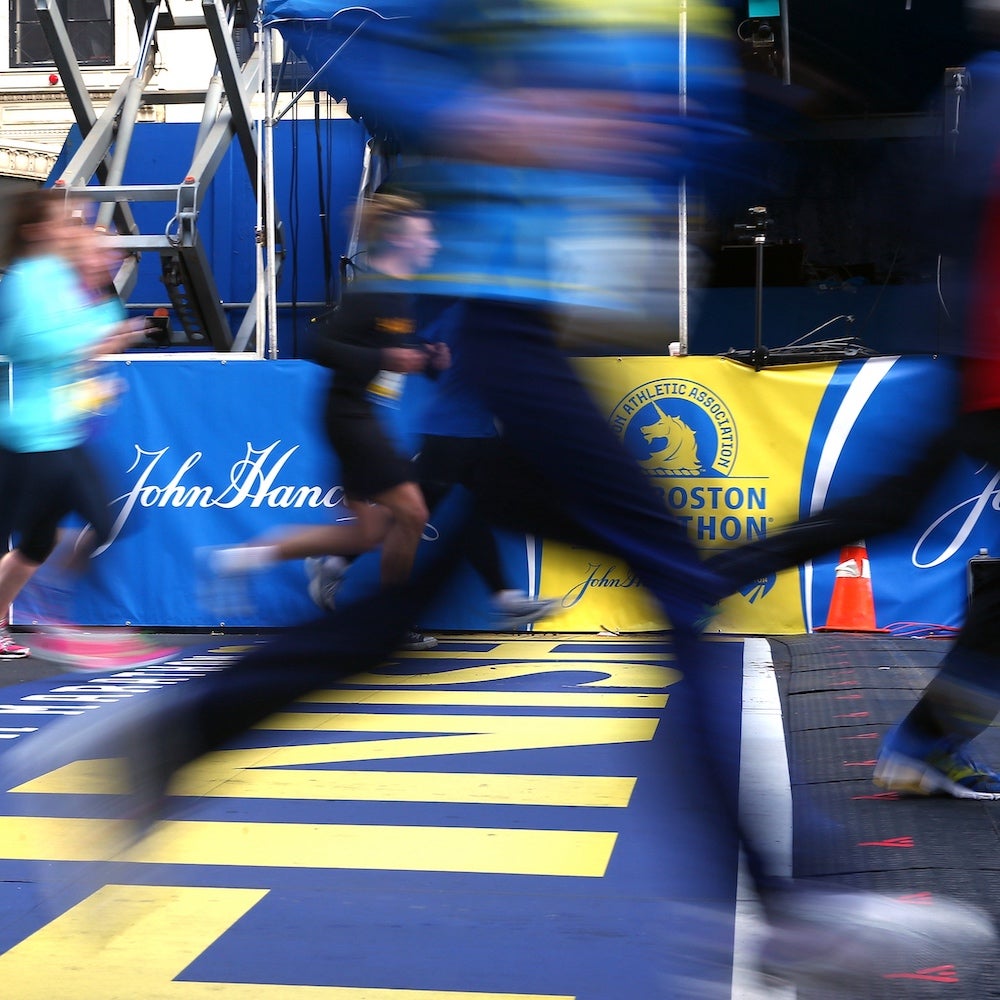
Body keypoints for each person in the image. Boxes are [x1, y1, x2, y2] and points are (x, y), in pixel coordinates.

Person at [4, 1, 995, 992]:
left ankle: (180, 733)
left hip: (546, 336)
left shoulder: (669, 15)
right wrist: (473, 110)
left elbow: (662, 144)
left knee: (406, 611)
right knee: (675, 582)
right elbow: (320, 17)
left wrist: (749, 126)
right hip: (511, 326)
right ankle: (786, 910)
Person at [706, 2, 1000, 802]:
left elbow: (934, 209)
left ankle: (715, 571)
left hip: (973, 352)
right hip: (985, 355)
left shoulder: (976, 89)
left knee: (885, 509)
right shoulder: (988, 92)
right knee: (885, 509)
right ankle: (925, 743)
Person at [201, 192, 449, 650]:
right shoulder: (373, 291)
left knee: (370, 531)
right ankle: (388, 623)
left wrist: (430, 358)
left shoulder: (397, 293)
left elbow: (398, 354)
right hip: (349, 415)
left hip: (358, 413)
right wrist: (387, 356)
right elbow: (321, 346)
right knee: (412, 512)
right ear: (400, 240)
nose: (432, 241)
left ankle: (242, 558)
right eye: (425, 233)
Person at [0, 188, 178, 670]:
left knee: (48, 539)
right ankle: (57, 620)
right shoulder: (23, 281)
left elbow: (94, 337)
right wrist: (99, 335)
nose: (72, 227)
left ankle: (51, 619)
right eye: (63, 222)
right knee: (87, 524)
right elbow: (30, 343)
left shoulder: (58, 277)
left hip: (61, 433)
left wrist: (101, 285)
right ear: (35, 232)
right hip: (31, 434)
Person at [306, 297, 562, 628]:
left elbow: (432, 354)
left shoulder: (469, 312)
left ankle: (505, 597)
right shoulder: (476, 314)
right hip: (451, 434)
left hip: (471, 432)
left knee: (468, 512)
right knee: (417, 511)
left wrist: (433, 361)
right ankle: (341, 571)